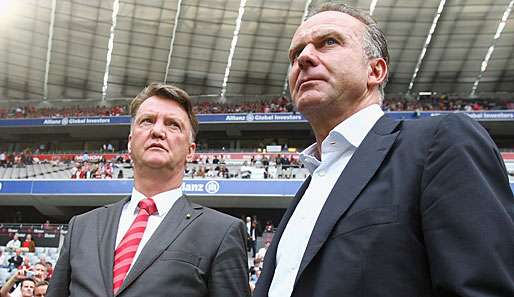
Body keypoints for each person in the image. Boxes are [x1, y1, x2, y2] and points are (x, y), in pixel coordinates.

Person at [254, 3, 514, 297]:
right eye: (295, 53)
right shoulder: (310, 186)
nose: (304, 57)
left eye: (328, 42)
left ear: (375, 70)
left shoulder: (438, 143)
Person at [47, 83, 250, 297]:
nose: (157, 131)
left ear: (191, 152)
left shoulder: (221, 232)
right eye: (147, 121)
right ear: (130, 142)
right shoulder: (82, 227)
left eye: (173, 125)